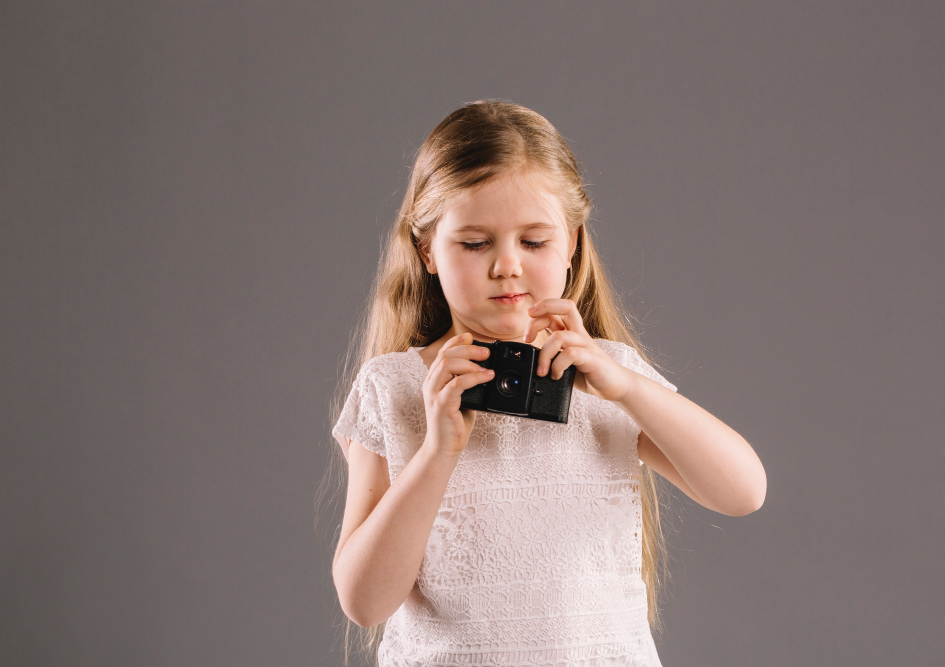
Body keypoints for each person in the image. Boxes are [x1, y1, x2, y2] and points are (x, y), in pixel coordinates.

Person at [328, 99, 766, 666]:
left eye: (533, 242)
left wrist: (628, 388)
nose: (507, 265)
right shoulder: (394, 387)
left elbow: (744, 491)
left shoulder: (608, 378)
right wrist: (437, 452)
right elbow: (365, 603)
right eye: (474, 242)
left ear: (573, 243)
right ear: (427, 250)